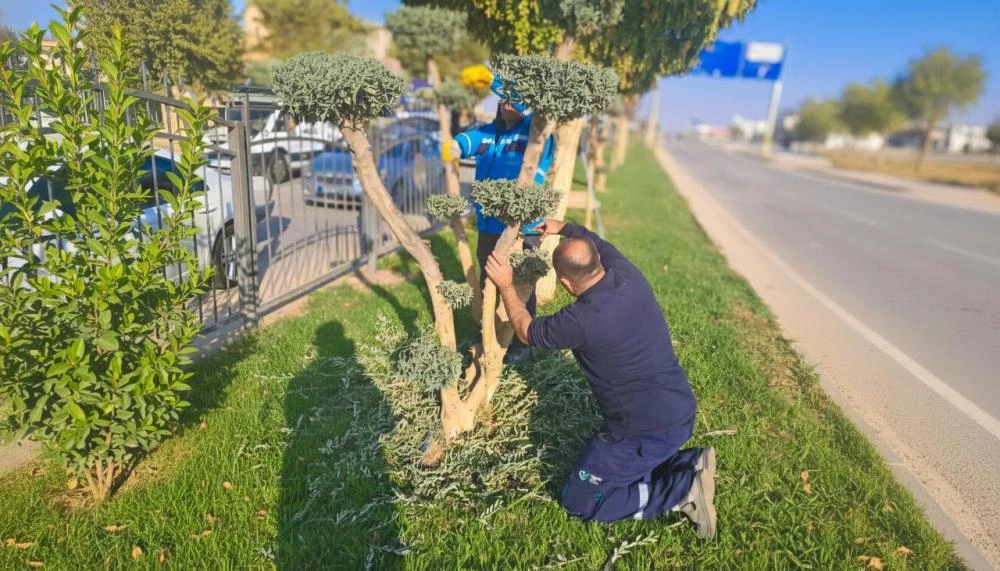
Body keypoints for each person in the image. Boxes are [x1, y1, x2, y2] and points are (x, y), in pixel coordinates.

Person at [484, 219, 717, 537]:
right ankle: (688, 463)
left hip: (642, 430)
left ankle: (682, 489)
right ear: (598, 259)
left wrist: (506, 286)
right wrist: (562, 227)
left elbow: (526, 331)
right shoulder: (625, 272)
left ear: (565, 283)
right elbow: (591, 237)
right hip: (677, 408)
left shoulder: (582, 320)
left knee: (581, 501)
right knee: (619, 467)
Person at [451, 76, 555, 362]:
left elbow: (540, 156)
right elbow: (467, 141)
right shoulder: (490, 133)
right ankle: (489, 331)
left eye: (515, 98)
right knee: (490, 279)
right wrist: (452, 147)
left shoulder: (535, 131)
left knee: (520, 284)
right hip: (489, 225)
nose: (507, 102)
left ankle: (522, 342)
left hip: (523, 227)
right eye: (504, 97)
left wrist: (520, 102)